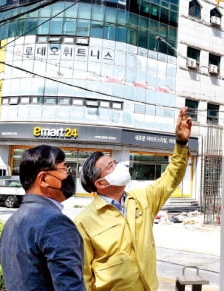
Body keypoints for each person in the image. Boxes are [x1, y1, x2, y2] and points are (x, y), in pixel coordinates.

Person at [74, 107, 192, 290]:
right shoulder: (83, 222)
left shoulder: (141, 199)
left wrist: (181, 143)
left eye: (114, 161)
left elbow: (171, 177)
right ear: (101, 183)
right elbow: (83, 277)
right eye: (111, 166)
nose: (119, 165)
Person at [0, 145, 85, 291]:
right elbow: (69, 286)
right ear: (44, 179)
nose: (69, 175)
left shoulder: (13, 220)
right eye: (64, 169)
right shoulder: (55, 222)